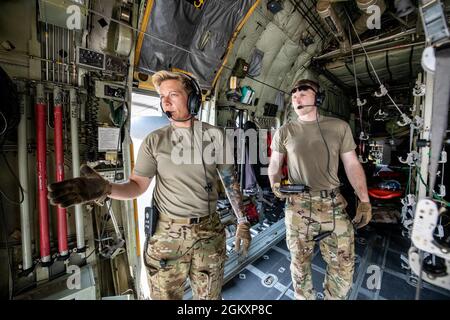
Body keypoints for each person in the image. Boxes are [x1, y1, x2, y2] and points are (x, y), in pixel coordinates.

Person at [47, 70, 252, 300]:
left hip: (209, 233)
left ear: (193, 99)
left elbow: (229, 180)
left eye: (173, 94)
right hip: (167, 236)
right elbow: (137, 185)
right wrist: (107, 188)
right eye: (162, 96)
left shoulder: (215, 136)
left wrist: (242, 221)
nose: (165, 102)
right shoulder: (155, 141)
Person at [268, 78, 371, 300]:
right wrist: (276, 185)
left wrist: (364, 200)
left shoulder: (338, 127)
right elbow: (274, 166)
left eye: (303, 92)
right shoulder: (284, 131)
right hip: (298, 206)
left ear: (319, 98)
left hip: (333, 204)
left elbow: (352, 165)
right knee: (299, 265)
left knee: (343, 265)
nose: (297, 97)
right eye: (294, 94)